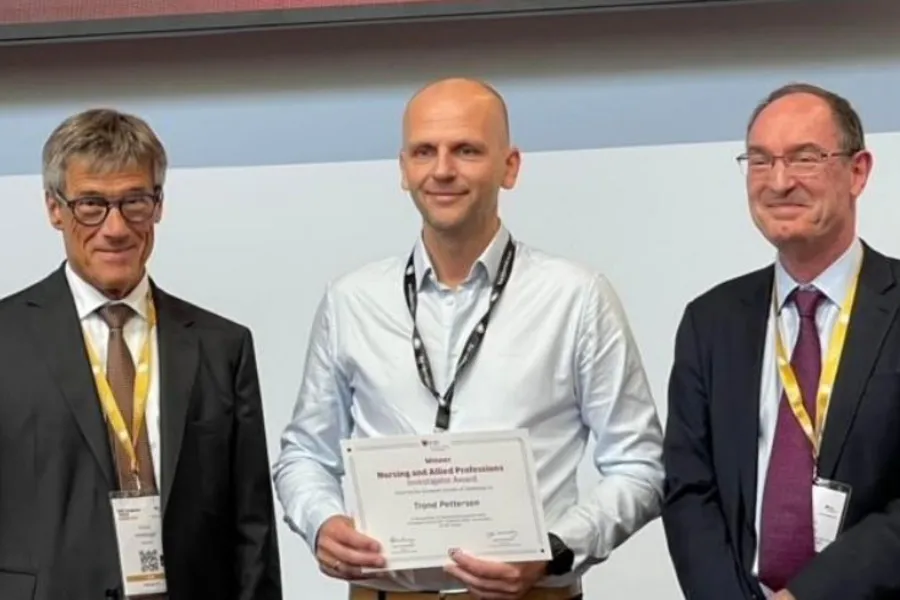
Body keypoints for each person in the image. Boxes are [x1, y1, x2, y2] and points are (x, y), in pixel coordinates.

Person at [273, 77, 665, 600]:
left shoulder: (576, 297)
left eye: (466, 150)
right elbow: (303, 452)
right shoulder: (351, 300)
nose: (442, 170)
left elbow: (641, 464)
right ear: (403, 169)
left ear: (510, 166)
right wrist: (320, 522)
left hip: (531, 595)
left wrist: (556, 547)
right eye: (423, 151)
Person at [0, 108, 282, 599]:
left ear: (158, 205)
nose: (115, 228)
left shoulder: (223, 346)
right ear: (54, 208)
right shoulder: (5, 337)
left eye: (134, 202)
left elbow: (251, 529)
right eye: (91, 204)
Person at [662, 82, 900, 600]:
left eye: (805, 159)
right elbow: (688, 490)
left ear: (858, 171)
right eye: (760, 161)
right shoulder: (711, 321)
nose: (779, 181)